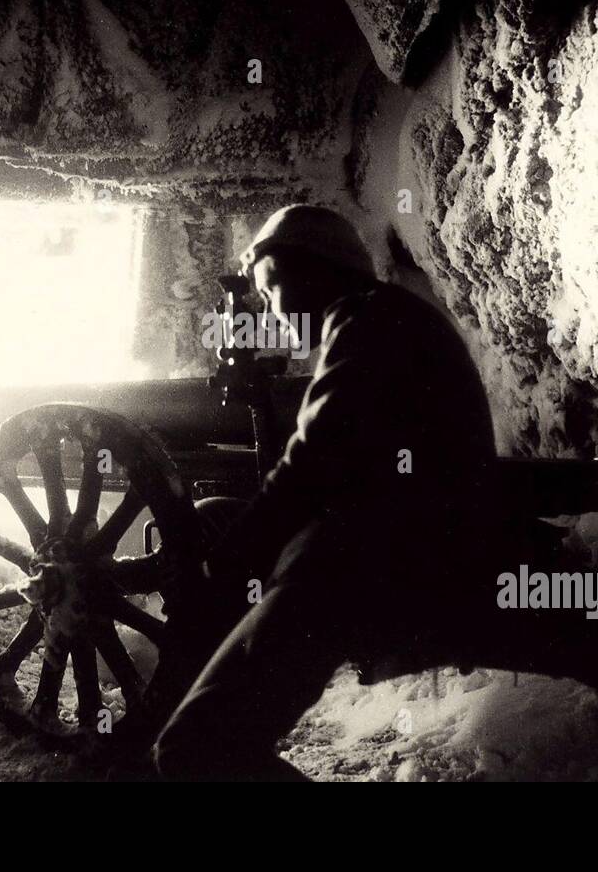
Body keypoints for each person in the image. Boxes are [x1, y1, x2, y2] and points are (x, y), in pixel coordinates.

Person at [149, 204, 506, 780]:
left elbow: (309, 468)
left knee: (193, 749)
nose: (268, 311)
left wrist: (223, 568)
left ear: (312, 271)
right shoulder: (387, 317)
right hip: (399, 545)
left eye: (270, 291)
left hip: (371, 564)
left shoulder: (366, 325)